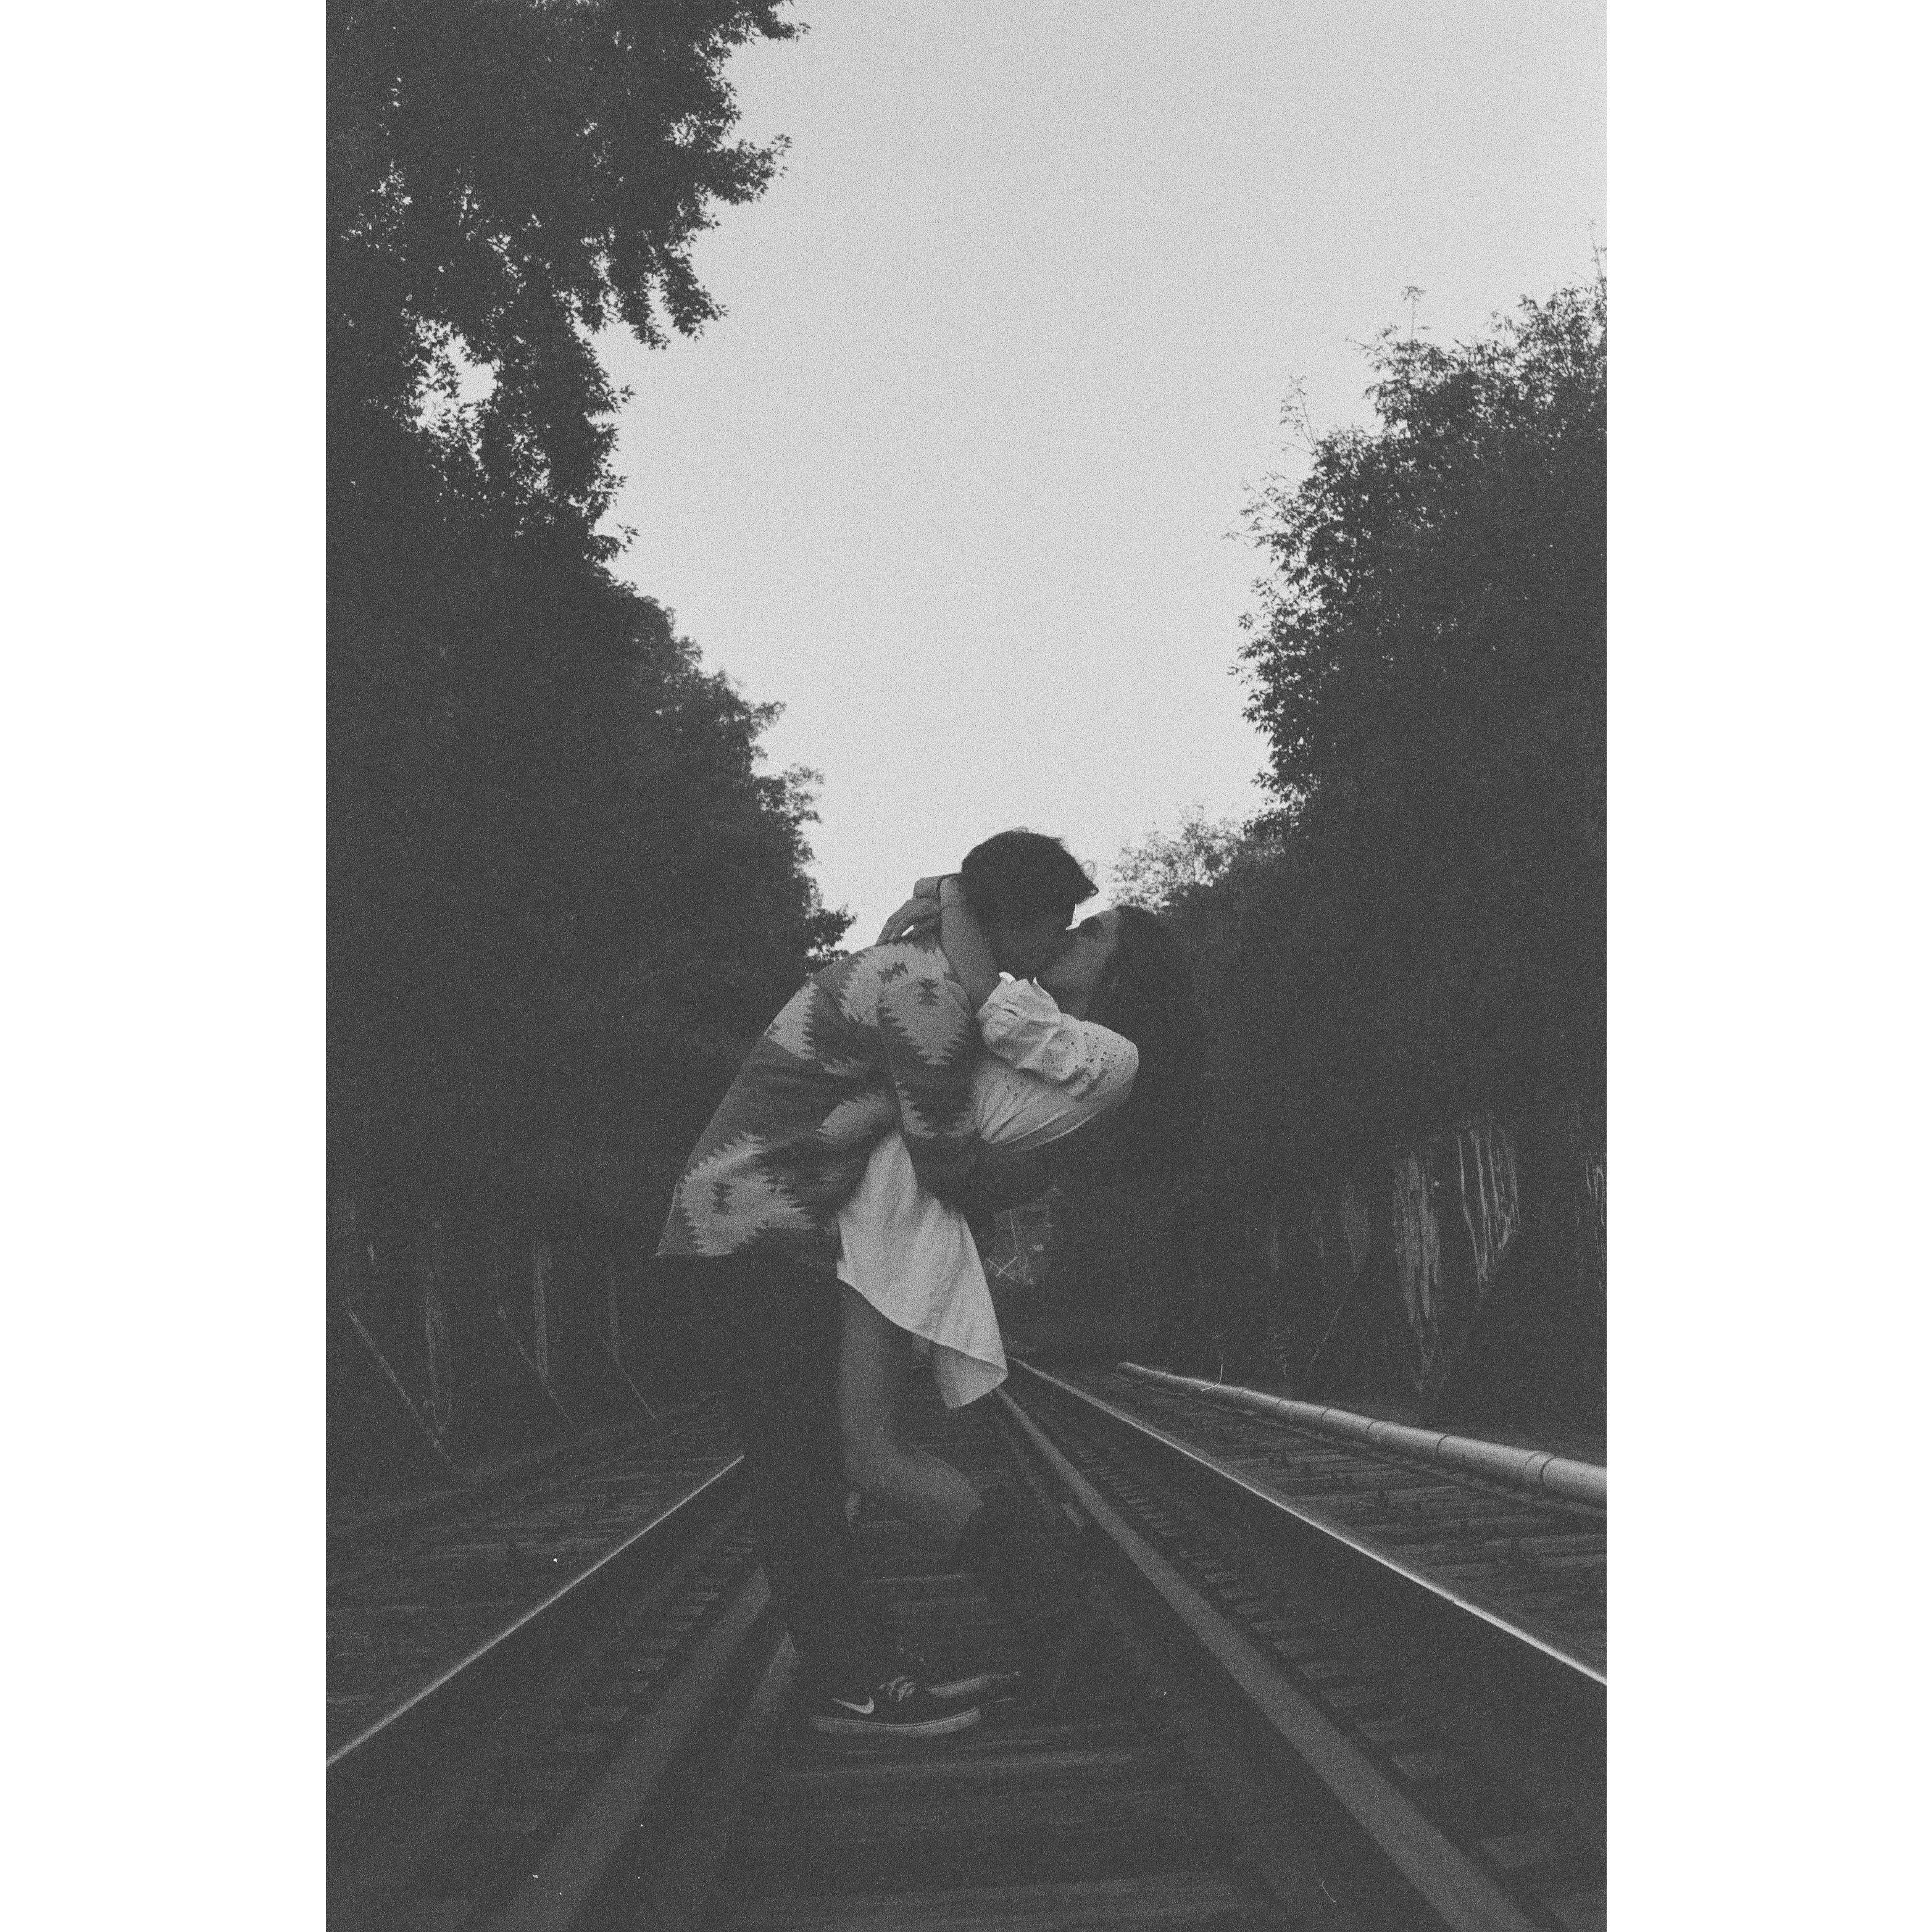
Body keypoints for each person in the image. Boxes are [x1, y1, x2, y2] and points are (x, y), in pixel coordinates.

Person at [656, 830, 1099, 1738]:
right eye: (1050, 927)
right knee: (799, 1472)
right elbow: (946, 1161)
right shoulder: (928, 998)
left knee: (816, 1463)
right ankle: (852, 1685)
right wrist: (1039, 1166)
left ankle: (864, 1668)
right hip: (748, 1233)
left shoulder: (918, 968)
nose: (1051, 949)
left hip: (766, 1230)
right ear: (1010, 919)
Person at [834, 878, 1198, 1708]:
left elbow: (971, 994)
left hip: (889, 1222)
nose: (1068, 933)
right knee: (865, 1450)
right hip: (884, 1215)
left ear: (1120, 977)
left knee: (866, 1451)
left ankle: (1061, 1621)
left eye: (1092, 933)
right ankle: (1057, 1618)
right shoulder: (1050, 1043)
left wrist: (956, 892)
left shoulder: (1071, 1041)